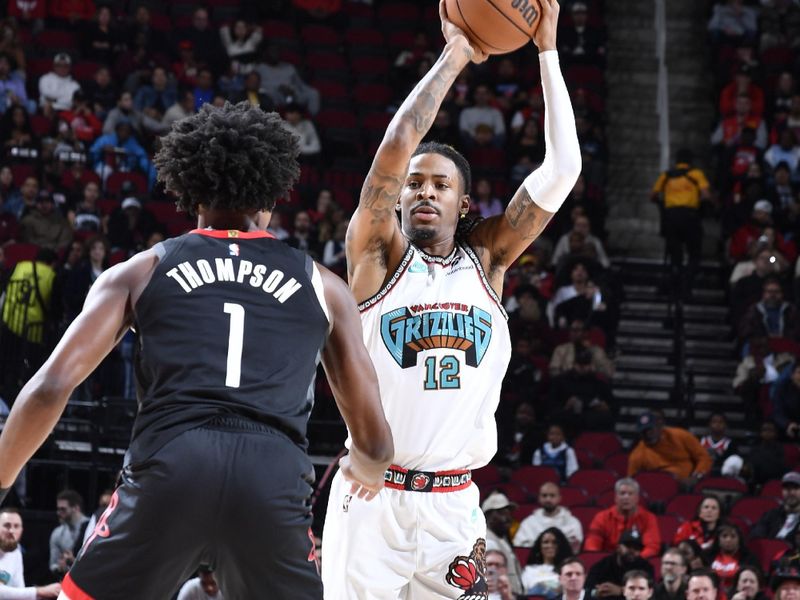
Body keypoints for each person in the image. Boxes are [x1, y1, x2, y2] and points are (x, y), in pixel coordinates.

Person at [0, 102, 394, 599]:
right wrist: (369, 466)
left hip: (172, 464)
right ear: (273, 192)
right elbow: (376, 441)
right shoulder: (325, 285)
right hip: (271, 476)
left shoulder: (139, 270)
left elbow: (51, 385)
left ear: (189, 190)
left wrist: (1, 479)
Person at [322, 1, 581, 598]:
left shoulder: (486, 261)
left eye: (441, 184)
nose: (424, 192)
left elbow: (562, 168)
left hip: (454, 502)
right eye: (414, 184)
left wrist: (547, 49)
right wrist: (456, 54)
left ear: (464, 204)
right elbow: (396, 145)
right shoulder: (376, 255)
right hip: (371, 497)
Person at [650, 148, 711, 295]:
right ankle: (686, 284)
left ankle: (674, 283)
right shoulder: (696, 174)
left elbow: (653, 196)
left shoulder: (667, 175)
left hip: (671, 218)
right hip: (690, 217)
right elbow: (706, 195)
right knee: (694, 254)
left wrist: (666, 202)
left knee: (675, 256)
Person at [627, 411, 712, 484]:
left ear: (658, 426)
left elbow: (703, 457)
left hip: (689, 484)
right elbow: (631, 482)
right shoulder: (637, 455)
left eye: (650, 430)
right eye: (644, 431)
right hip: (659, 486)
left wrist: (696, 477)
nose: (648, 434)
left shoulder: (680, 435)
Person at [585, 478, 661, 558]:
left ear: (637, 498)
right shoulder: (602, 517)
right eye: (622, 493)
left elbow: (652, 546)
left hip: (638, 563)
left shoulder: (648, 518)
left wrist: (636, 560)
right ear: (616, 497)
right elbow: (592, 544)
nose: (626, 497)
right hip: (607, 564)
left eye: (630, 493)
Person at [514, 482, 583, 552]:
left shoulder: (572, 522)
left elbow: (575, 549)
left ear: (559, 498)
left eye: (552, 496)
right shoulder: (528, 523)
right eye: (544, 496)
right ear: (539, 498)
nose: (548, 499)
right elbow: (520, 547)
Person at [585, 531, 655, 600]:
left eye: (636, 548)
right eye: (628, 546)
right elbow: (585, 591)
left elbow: (653, 594)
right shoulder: (603, 565)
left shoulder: (645, 567)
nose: (632, 551)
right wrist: (596, 593)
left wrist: (621, 591)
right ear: (618, 547)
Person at [482, 492, 524, 596]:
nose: (508, 517)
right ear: (488, 516)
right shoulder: (488, 541)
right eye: (502, 513)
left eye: (509, 513)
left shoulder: (502, 538)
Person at [520, 527, 572, 597]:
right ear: (540, 546)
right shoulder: (529, 570)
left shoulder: (570, 569)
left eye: (554, 542)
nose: (550, 546)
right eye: (546, 542)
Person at [704, 521, 757, 590]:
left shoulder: (749, 559)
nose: (728, 540)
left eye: (733, 536)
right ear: (718, 539)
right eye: (724, 536)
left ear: (739, 539)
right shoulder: (707, 556)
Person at [750, 471, 800, 540]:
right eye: (787, 489)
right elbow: (756, 537)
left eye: (796, 488)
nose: (791, 493)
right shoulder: (771, 515)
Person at [49, 490, 88, 577]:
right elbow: (53, 564)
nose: (58, 513)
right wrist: (60, 567)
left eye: (63, 509)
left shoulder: (92, 528)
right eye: (58, 509)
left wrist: (73, 561)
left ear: (76, 508)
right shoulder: (57, 533)